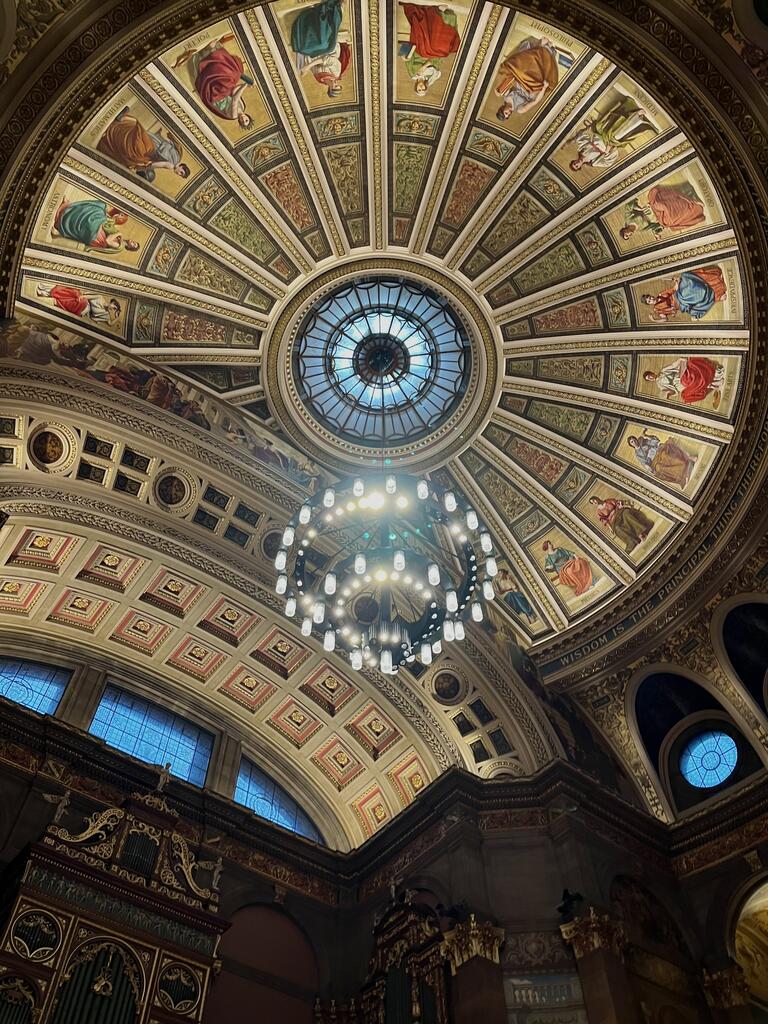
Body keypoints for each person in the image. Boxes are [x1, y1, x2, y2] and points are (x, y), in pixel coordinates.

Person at [173, 34, 254, 128]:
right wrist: (245, 85)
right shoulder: (243, 107)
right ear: (248, 116)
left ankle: (208, 50)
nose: (243, 119)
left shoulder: (234, 116)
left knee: (224, 76)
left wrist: (244, 85)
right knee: (236, 72)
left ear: (239, 122)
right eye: (246, 120)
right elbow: (234, 91)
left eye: (242, 122)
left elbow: (235, 99)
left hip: (215, 95)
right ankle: (213, 49)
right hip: (225, 91)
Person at [569, 93, 658, 172]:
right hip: (608, 144)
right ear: (580, 167)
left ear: (574, 160)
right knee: (615, 136)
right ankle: (638, 117)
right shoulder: (593, 162)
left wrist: (575, 138)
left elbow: (583, 135)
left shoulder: (581, 150)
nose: (577, 163)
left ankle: (629, 107)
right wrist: (608, 151)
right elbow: (608, 162)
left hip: (600, 134)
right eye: (577, 166)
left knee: (601, 125)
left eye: (574, 163)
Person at [97, 107, 190, 181]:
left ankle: (124, 118)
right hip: (153, 149)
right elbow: (158, 164)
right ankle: (118, 126)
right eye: (181, 172)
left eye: (180, 175)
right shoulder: (171, 165)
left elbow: (170, 143)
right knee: (136, 144)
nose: (179, 174)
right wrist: (144, 167)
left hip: (157, 141)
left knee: (139, 132)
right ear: (182, 167)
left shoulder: (178, 155)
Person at [494, 36, 569, 119]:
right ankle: (543, 48)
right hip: (532, 90)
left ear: (502, 109)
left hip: (522, 82)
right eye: (508, 115)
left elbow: (507, 81)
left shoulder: (506, 97)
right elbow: (535, 101)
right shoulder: (519, 109)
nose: (508, 113)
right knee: (532, 73)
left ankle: (540, 46)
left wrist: (498, 90)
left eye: (505, 113)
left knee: (518, 65)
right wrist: (544, 87)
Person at [291, 0, 351, 97]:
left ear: (330, 89)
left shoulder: (319, 79)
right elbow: (325, 59)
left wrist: (305, 65)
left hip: (316, 54)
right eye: (337, 85)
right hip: (330, 49)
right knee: (322, 43)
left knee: (303, 47)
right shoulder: (336, 73)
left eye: (335, 87)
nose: (335, 84)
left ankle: (308, 22)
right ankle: (326, 13)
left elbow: (312, 63)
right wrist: (307, 67)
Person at [399, 3, 460, 94]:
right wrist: (424, 66)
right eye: (423, 89)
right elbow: (437, 61)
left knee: (431, 46)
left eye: (419, 89)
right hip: (433, 55)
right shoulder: (432, 75)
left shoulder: (412, 74)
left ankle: (435, 13)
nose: (421, 87)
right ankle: (442, 14)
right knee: (444, 49)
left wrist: (403, 56)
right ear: (425, 87)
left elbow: (408, 61)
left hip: (419, 51)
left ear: (416, 87)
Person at [620, 182, 705, 240]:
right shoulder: (640, 230)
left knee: (664, 206)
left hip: (652, 208)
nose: (629, 235)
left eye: (626, 235)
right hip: (658, 217)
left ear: (624, 230)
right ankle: (694, 208)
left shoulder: (628, 219)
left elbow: (628, 206)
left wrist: (639, 208)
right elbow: (653, 227)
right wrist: (656, 234)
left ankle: (690, 200)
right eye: (628, 237)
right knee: (671, 223)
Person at [51, 199, 140, 253]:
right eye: (135, 242)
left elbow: (108, 240)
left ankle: (60, 230)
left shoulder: (119, 247)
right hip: (100, 232)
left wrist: (118, 233)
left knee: (92, 220)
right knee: (101, 206)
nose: (132, 242)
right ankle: (69, 206)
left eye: (133, 244)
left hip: (96, 238)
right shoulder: (122, 239)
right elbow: (108, 228)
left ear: (129, 247)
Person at [641, 266, 727, 321]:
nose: (651, 299)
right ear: (649, 304)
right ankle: (718, 292)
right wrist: (654, 320)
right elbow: (664, 319)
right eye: (649, 301)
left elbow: (674, 289)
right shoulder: (657, 310)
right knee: (692, 291)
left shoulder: (660, 294)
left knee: (686, 276)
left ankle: (715, 279)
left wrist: (677, 281)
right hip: (681, 303)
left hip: (678, 294)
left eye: (650, 297)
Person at [643, 356, 724, 409]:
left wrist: (679, 360)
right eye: (649, 378)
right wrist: (667, 394)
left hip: (682, 377)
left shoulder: (663, 371)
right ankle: (713, 384)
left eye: (650, 375)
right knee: (686, 395)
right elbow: (670, 391)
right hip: (680, 386)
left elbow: (673, 366)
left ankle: (714, 377)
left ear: (652, 373)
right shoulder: (659, 385)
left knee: (689, 374)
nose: (650, 377)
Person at [627, 430, 697, 488]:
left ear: (636, 439)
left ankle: (688, 459)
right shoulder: (637, 454)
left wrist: (646, 437)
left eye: (634, 440)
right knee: (659, 468)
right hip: (654, 461)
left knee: (666, 454)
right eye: (632, 442)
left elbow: (656, 441)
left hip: (658, 451)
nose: (634, 442)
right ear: (631, 445)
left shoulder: (643, 441)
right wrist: (649, 468)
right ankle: (683, 477)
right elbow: (644, 463)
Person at [589, 496, 653, 552]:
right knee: (617, 528)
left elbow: (618, 503)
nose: (595, 502)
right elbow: (604, 521)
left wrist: (621, 505)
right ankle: (632, 541)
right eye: (593, 502)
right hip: (614, 521)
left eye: (594, 500)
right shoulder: (598, 511)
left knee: (626, 514)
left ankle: (640, 534)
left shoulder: (608, 501)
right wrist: (610, 528)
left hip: (620, 512)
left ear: (597, 498)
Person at [35, 284, 121, 325]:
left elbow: (110, 324)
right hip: (83, 302)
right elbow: (85, 296)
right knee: (74, 293)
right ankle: (47, 291)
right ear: (112, 303)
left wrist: (117, 317)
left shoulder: (106, 315)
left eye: (115, 310)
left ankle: (53, 298)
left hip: (84, 310)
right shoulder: (99, 297)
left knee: (78, 302)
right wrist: (80, 297)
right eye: (114, 307)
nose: (113, 309)